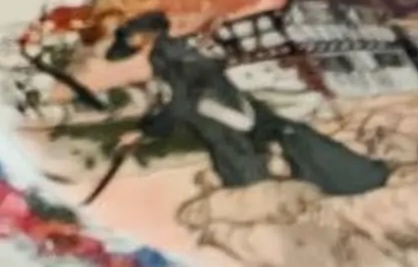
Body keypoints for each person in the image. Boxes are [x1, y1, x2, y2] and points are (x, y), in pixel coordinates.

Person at [104, 11, 391, 197]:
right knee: (287, 135)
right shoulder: (177, 49)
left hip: (220, 117)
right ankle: (353, 177)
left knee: (245, 172)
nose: (132, 43)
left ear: (144, 35)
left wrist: (144, 132)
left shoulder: (166, 56)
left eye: (131, 37)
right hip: (233, 107)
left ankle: (281, 206)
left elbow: (182, 100)